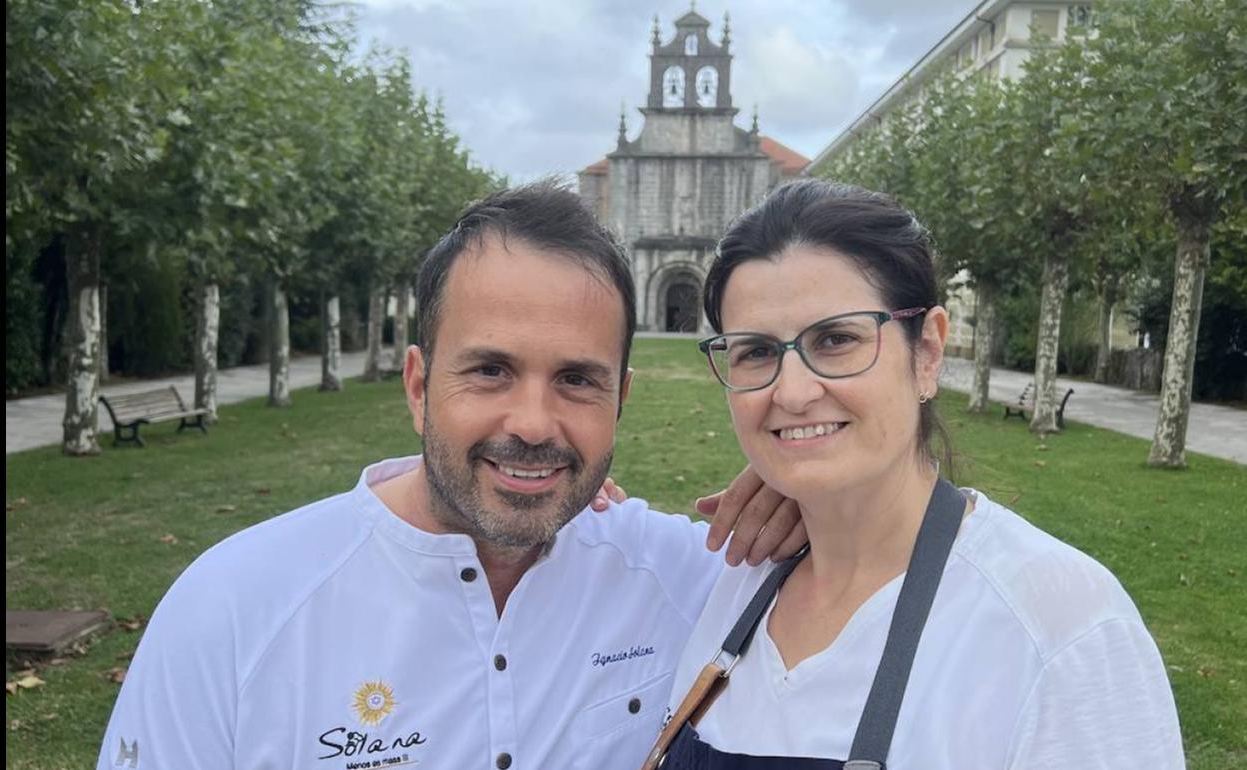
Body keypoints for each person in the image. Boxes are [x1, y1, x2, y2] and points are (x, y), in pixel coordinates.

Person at [95, 182, 806, 770]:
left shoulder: (689, 576)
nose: (533, 423)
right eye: (490, 370)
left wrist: (819, 498)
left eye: (576, 379)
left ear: (619, 399)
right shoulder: (232, 610)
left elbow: (888, 592)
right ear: (417, 385)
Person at [652, 180, 1185, 769]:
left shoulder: (1060, 629)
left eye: (836, 339)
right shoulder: (740, 584)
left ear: (927, 352)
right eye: (755, 351)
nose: (794, 392)